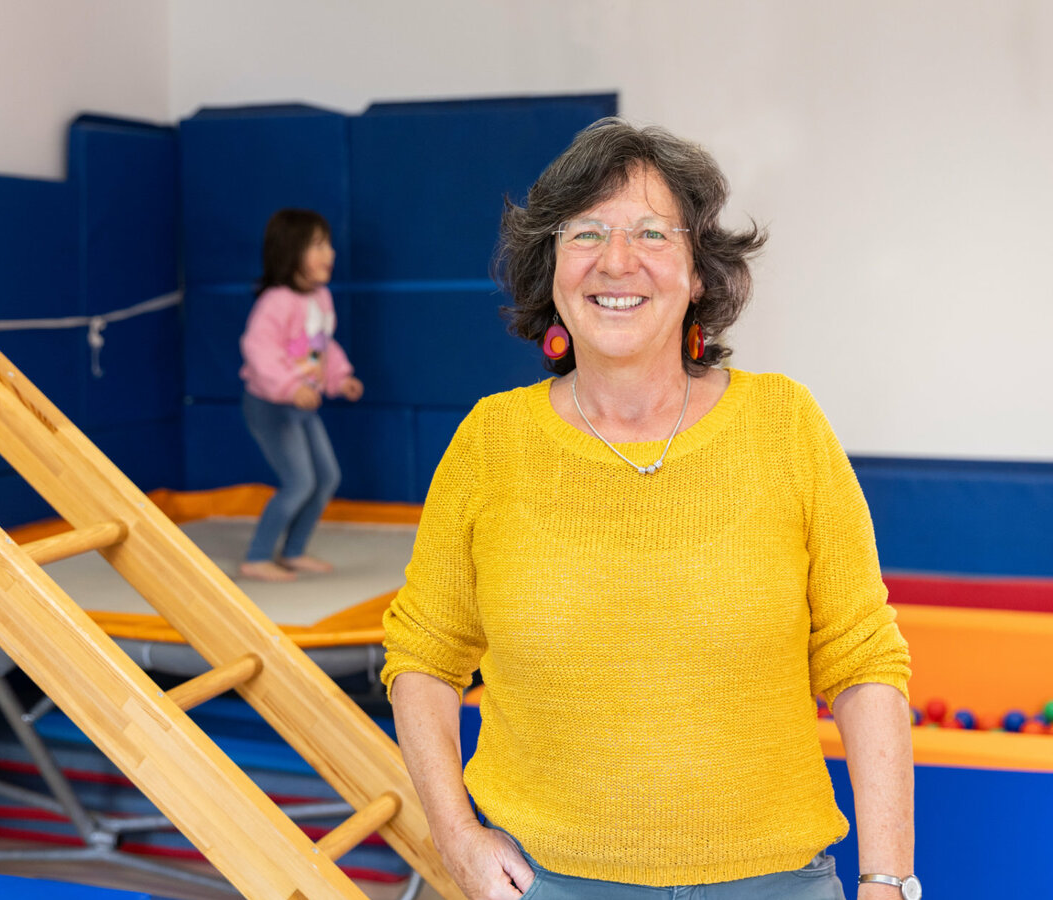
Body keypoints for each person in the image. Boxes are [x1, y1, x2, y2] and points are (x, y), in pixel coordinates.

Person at [382, 119, 917, 900]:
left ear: (699, 273)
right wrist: (456, 837)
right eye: (586, 232)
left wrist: (888, 879)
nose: (616, 260)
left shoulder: (786, 425)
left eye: (651, 232)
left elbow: (863, 657)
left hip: (773, 883)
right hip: (542, 882)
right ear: (553, 270)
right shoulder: (490, 442)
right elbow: (423, 656)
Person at [238, 209, 363, 582]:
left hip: (302, 403)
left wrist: (340, 377)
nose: (330, 253)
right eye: (317, 245)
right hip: (272, 406)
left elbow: (322, 347)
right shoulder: (275, 302)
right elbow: (258, 352)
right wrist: (291, 387)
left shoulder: (321, 298)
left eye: (328, 244)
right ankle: (257, 556)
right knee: (299, 482)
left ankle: (293, 550)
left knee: (326, 478)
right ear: (290, 252)